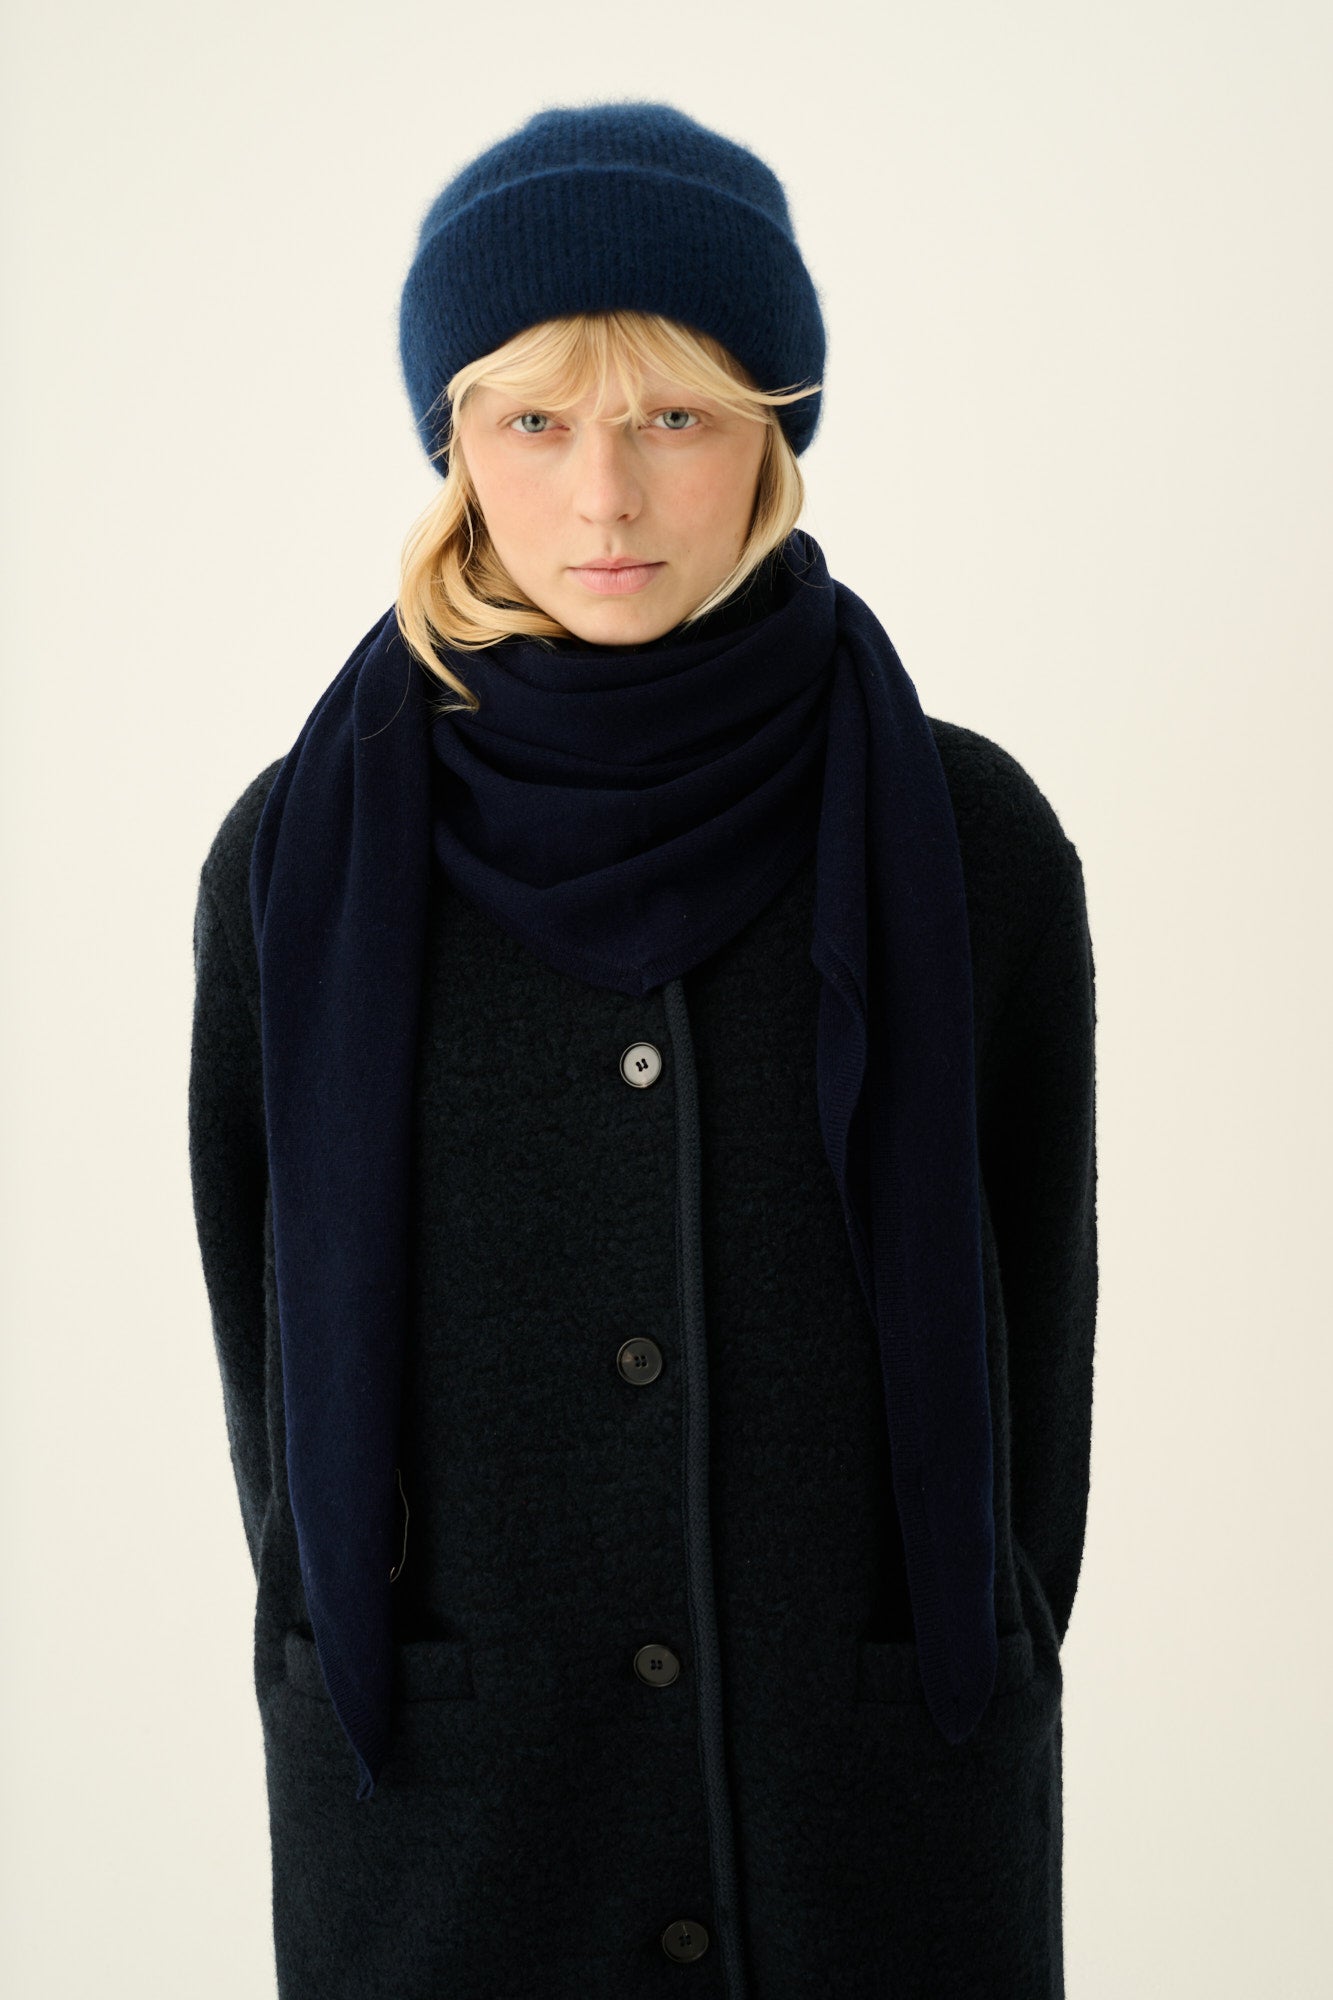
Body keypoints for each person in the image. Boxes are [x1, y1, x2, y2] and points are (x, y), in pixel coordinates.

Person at [188, 98, 1098, 2000]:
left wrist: (953, 1656)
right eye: (535, 422)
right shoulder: (301, 862)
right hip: (454, 1849)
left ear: (771, 426)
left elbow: (1033, 1368)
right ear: (454, 443)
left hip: (869, 1842)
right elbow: (271, 1362)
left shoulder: (964, 840)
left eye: (672, 417)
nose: (602, 497)